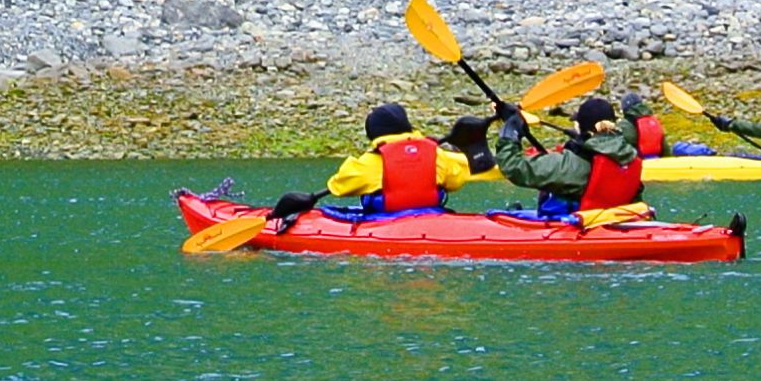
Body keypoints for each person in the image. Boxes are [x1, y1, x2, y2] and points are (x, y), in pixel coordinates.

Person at [268, 103, 485, 233]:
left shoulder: (370, 163)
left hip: (387, 224)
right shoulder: (437, 154)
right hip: (433, 217)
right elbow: (456, 180)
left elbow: (340, 185)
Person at [491, 96, 652, 227]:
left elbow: (513, 167)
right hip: (615, 226)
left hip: (570, 229)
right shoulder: (630, 158)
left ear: (582, 129)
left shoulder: (569, 165)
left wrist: (509, 133)